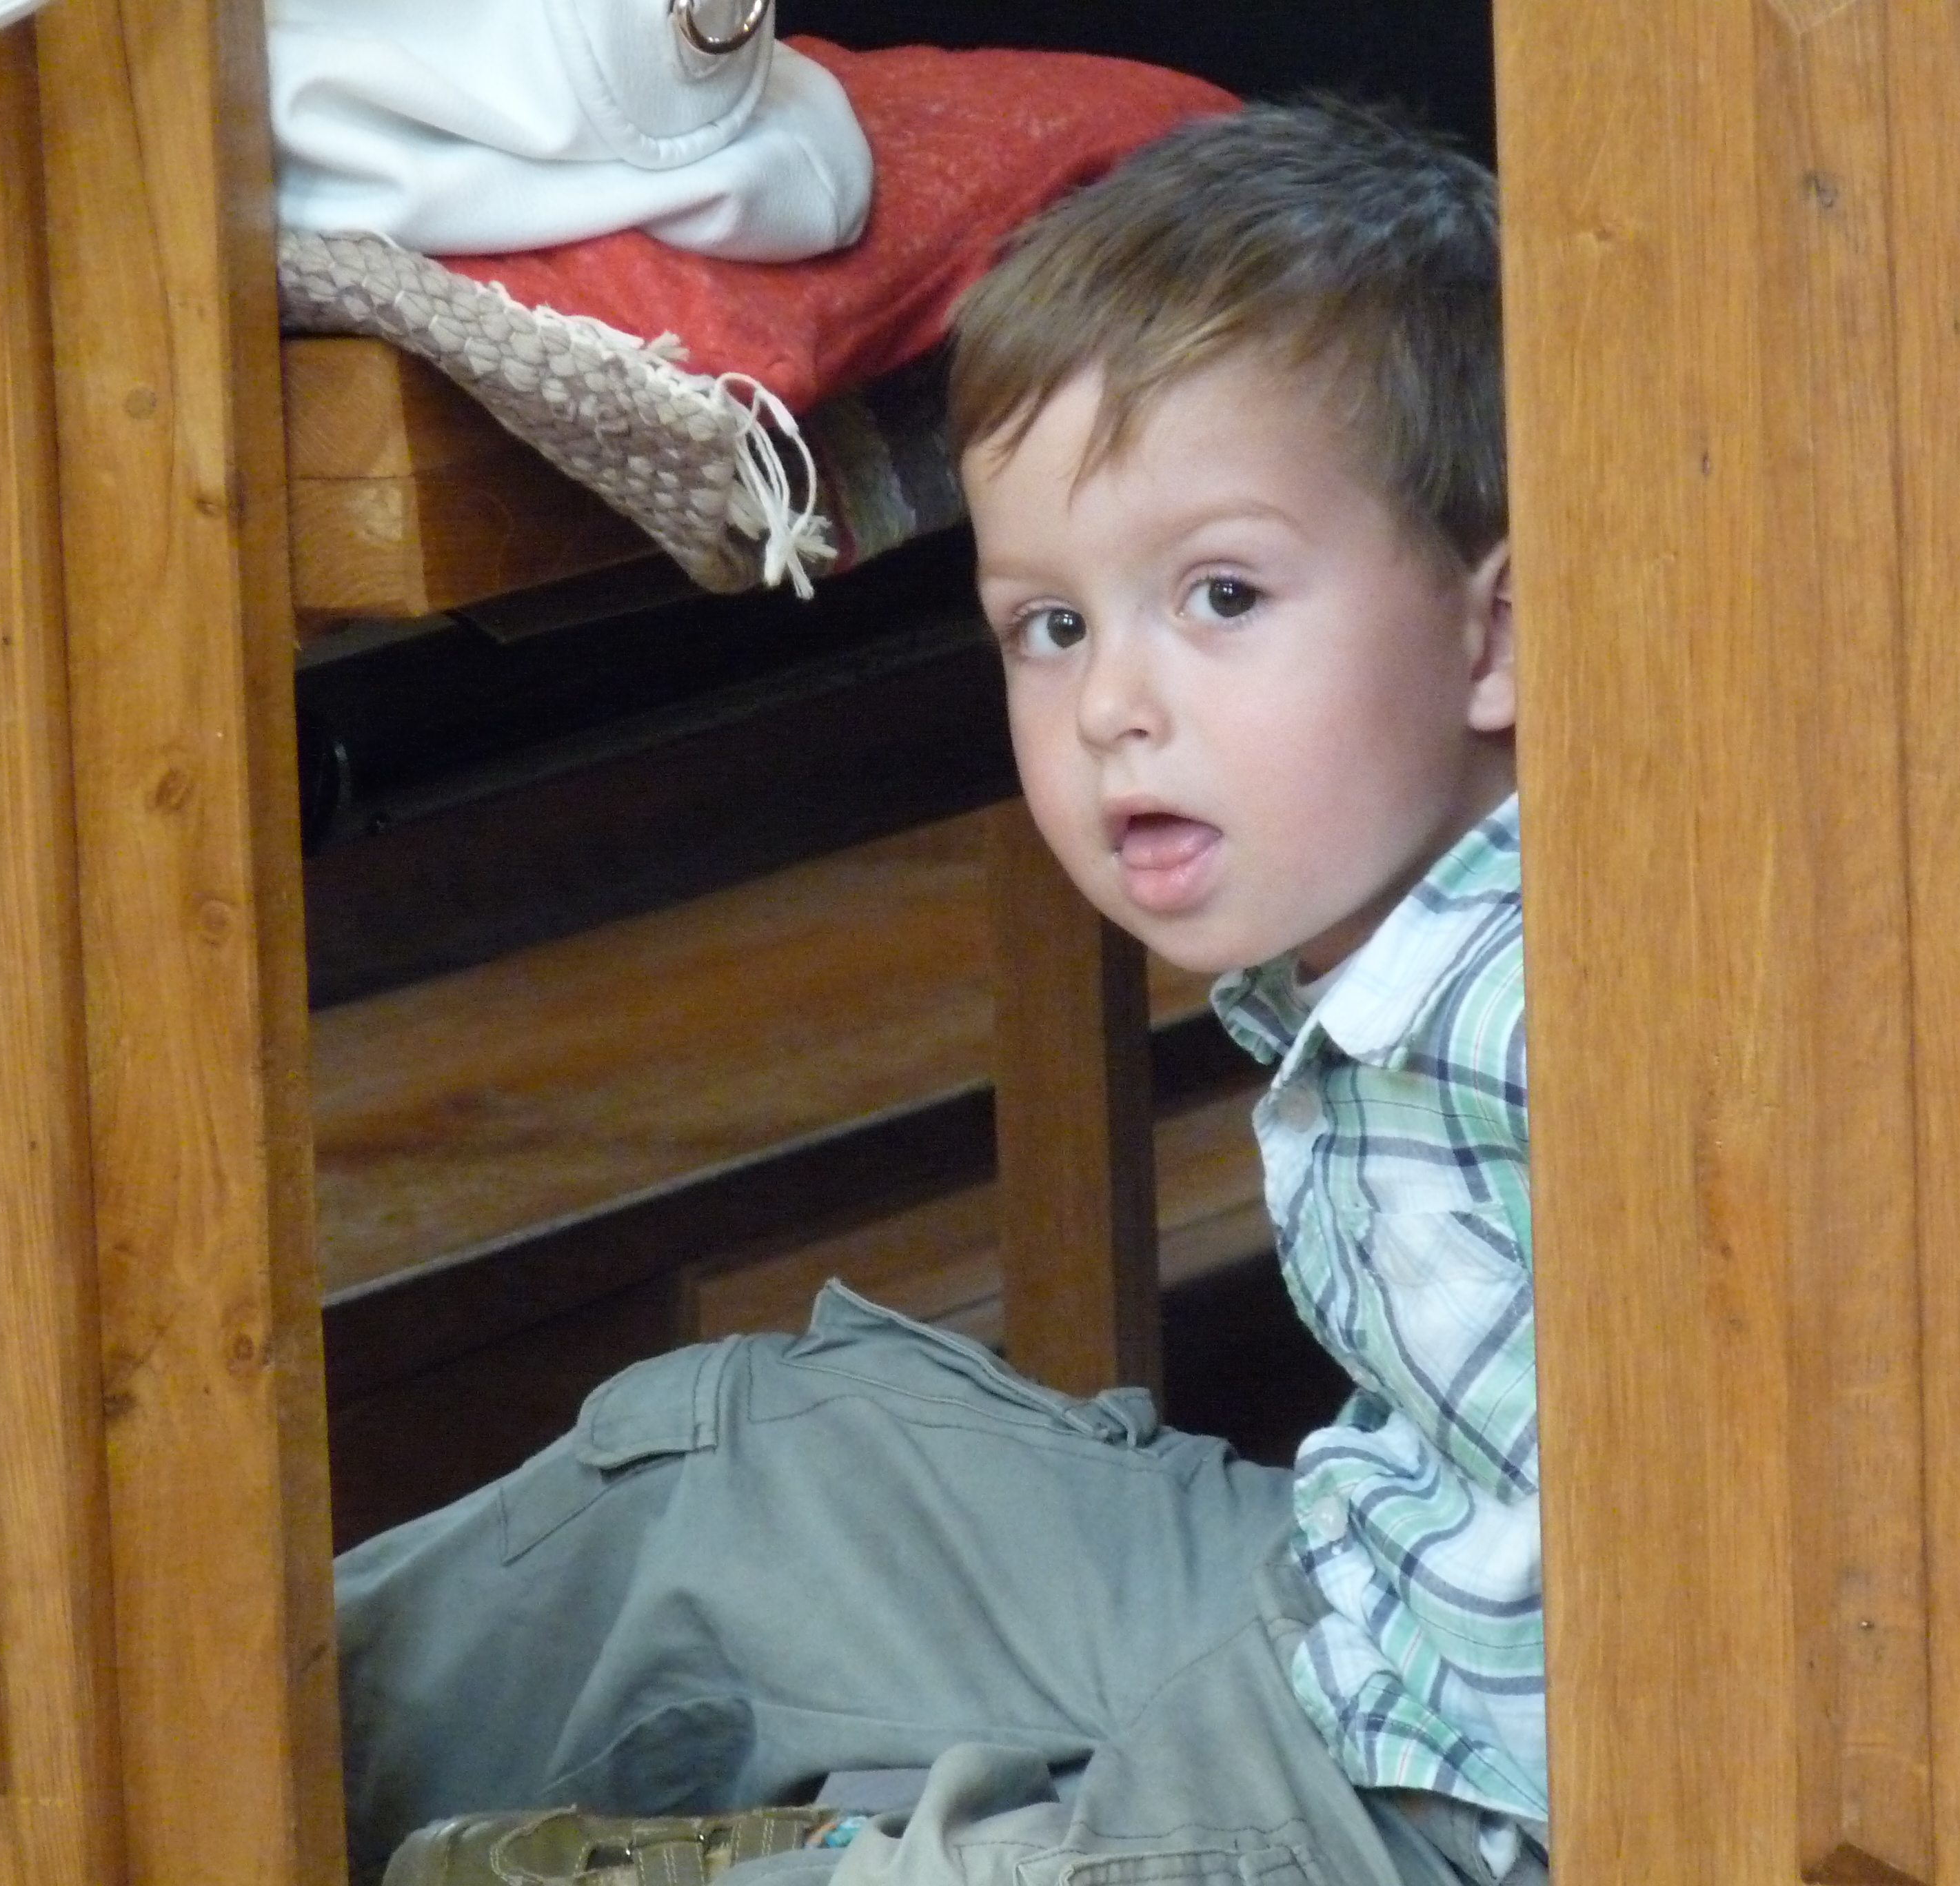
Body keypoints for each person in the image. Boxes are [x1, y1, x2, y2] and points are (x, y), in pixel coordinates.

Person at [337, 97, 1540, 1886]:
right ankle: (160, 1772)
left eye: (1221, 595)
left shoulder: (1551, 1025)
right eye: (1052, 625)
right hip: (1351, 1627)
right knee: (770, 1474)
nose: (1113, 704)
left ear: (1495, 634)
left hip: (1446, 1816)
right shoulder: (1387, 954)